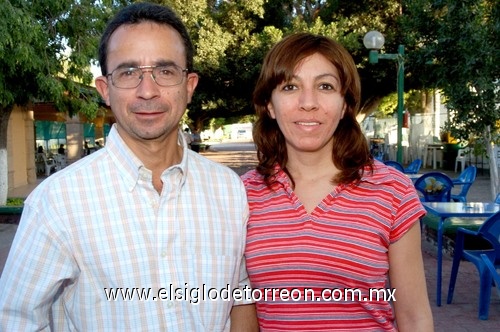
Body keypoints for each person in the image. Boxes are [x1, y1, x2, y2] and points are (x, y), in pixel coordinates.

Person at [0, 3, 257, 331]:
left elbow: (239, 294)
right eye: (128, 72)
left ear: (189, 85)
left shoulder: (228, 190)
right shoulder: (57, 202)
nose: (147, 91)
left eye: (165, 71)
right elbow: (16, 320)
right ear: (105, 90)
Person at [241, 32, 433, 331]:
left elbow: (414, 315)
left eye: (325, 86)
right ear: (269, 104)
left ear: (345, 105)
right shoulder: (241, 196)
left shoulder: (392, 190)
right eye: (290, 86)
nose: (308, 103)